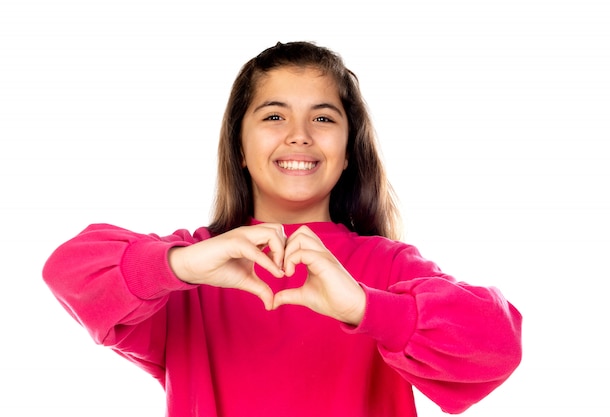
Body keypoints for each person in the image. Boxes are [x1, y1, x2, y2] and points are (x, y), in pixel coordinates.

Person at [42, 41, 522, 417]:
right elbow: (68, 270)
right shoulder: (188, 274)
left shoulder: (389, 267)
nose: (299, 134)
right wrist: (181, 264)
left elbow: (498, 346)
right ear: (240, 148)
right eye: (274, 116)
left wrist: (365, 306)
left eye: (323, 117)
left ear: (349, 149)